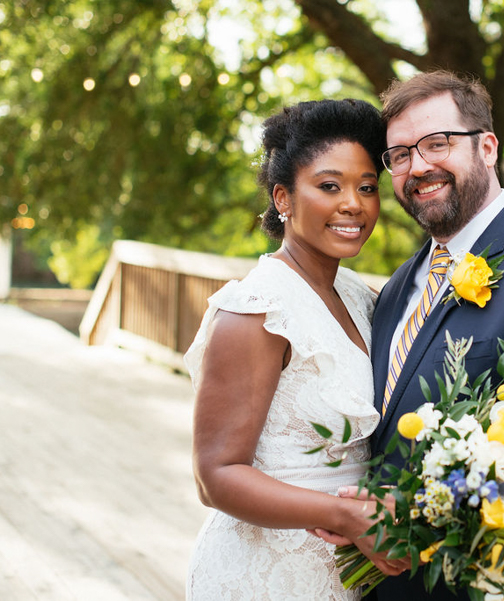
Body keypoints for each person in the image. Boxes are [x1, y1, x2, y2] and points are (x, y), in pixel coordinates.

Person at [325, 70, 504, 600]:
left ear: (487, 147)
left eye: (437, 143)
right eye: (399, 155)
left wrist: (410, 514)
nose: (418, 166)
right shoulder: (397, 287)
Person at [183, 98, 407, 600]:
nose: (353, 203)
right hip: (265, 574)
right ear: (283, 198)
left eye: (367, 187)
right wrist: (344, 514)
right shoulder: (256, 310)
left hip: (348, 573)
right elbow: (215, 476)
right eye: (329, 186)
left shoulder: (362, 297)